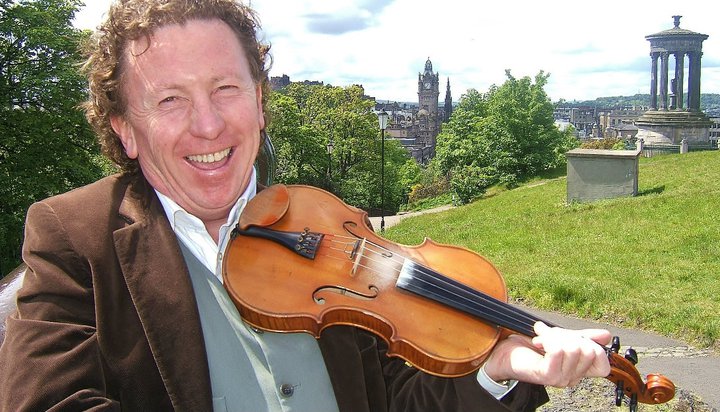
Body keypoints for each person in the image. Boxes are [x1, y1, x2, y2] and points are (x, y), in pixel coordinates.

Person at [0, 1, 613, 410]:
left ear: (260, 102)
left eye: (225, 88)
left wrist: (493, 369)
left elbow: (398, 398)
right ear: (125, 129)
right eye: (170, 100)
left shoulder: (326, 224)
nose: (208, 125)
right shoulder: (72, 236)